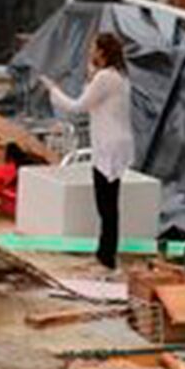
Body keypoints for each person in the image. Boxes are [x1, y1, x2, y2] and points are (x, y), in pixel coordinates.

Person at [42, 32, 134, 271]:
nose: (89, 51)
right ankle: (105, 253)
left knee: (106, 204)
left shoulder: (105, 77)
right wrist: (90, 75)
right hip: (115, 144)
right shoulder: (117, 76)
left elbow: (78, 106)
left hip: (109, 146)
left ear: (102, 52)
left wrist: (54, 90)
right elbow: (93, 100)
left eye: (93, 47)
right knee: (108, 203)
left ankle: (106, 257)